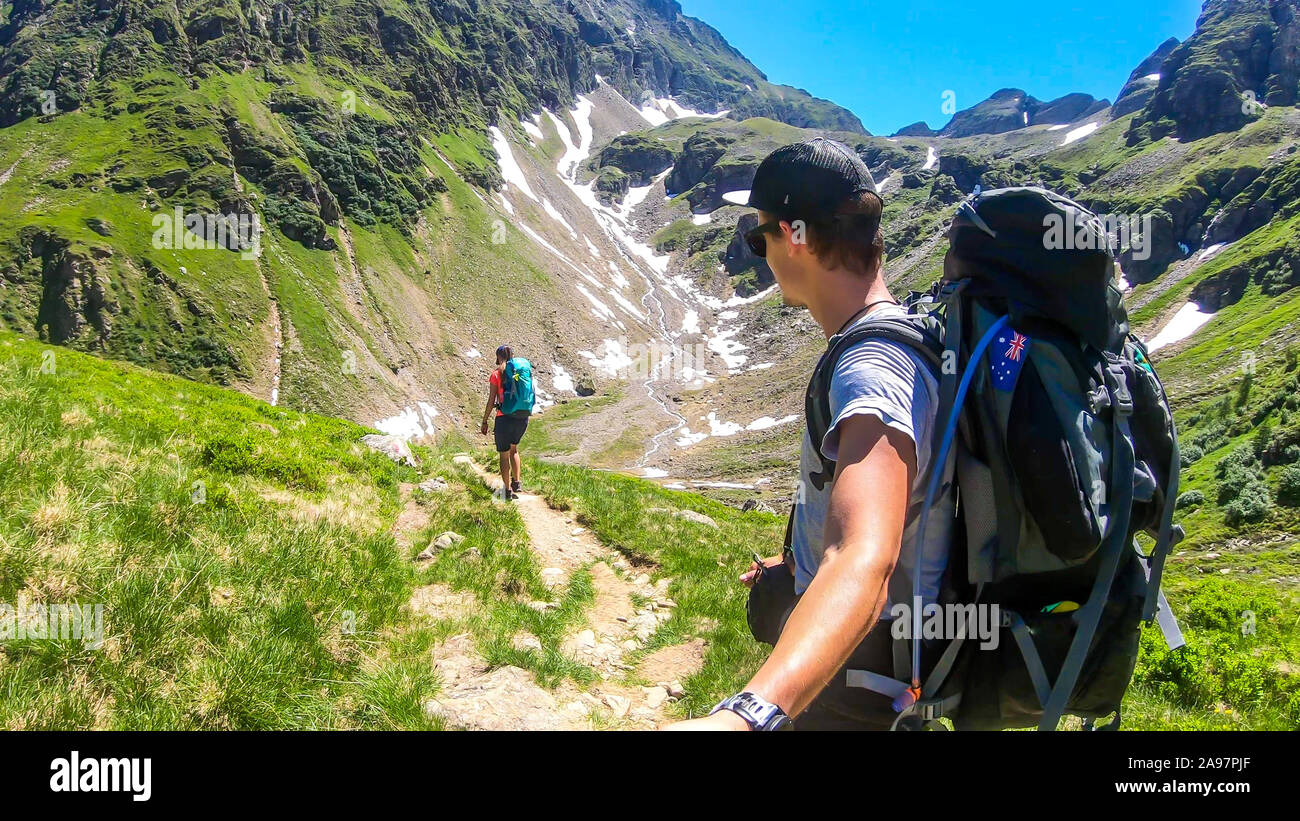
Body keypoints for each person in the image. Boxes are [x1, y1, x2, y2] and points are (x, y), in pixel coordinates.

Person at [664, 138, 953, 731]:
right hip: (876, 669)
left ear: (794, 236)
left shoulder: (873, 365)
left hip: (860, 684)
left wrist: (748, 714)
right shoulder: (897, 339)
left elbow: (863, 556)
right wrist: (796, 562)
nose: (759, 252)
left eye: (759, 235)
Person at [480, 345, 528, 500]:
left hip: (503, 417)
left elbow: (491, 400)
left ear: (498, 357)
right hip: (521, 417)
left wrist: (485, 420)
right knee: (514, 450)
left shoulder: (496, 374)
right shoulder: (520, 373)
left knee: (504, 454)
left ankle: (507, 490)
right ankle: (517, 483)